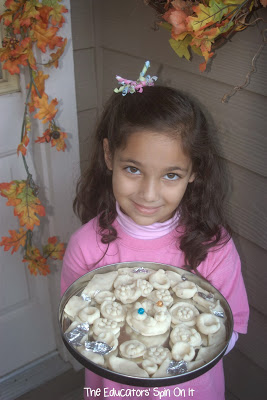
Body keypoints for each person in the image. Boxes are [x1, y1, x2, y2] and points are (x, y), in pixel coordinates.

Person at [61, 62, 249, 400]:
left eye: (171, 175)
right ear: (109, 155)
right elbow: (75, 324)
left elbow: (231, 325)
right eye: (133, 169)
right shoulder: (86, 246)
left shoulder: (213, 248)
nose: (148, 194)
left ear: (195, 172)